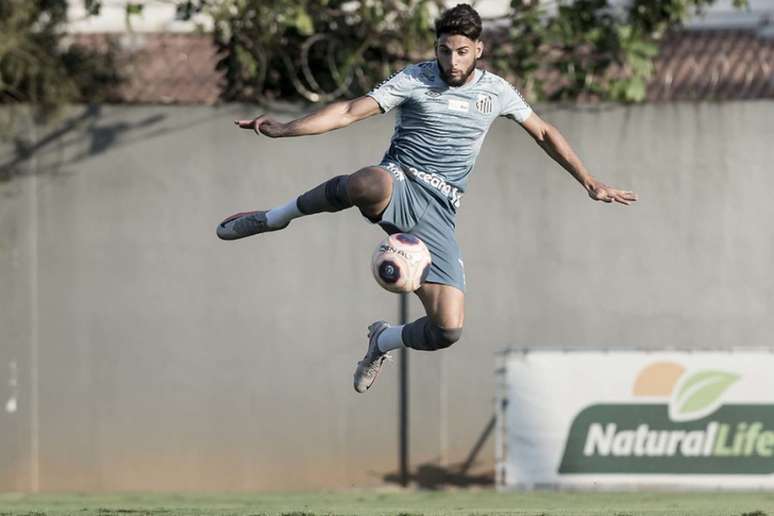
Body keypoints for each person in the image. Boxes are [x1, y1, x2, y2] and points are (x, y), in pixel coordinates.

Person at [217, 3, 638, 394]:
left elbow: (544, 132)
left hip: (440, 209)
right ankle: (274, 218)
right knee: (366, 183)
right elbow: (349, 111)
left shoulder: (498, 92)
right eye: (444, 50)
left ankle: (383, 340)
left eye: (461, 52)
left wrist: (589, 181)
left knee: (447, 330)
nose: (452, 62)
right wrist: (285, 128)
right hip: (400, 179)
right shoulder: (415, 79)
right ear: (435, 48)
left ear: (478, 50)